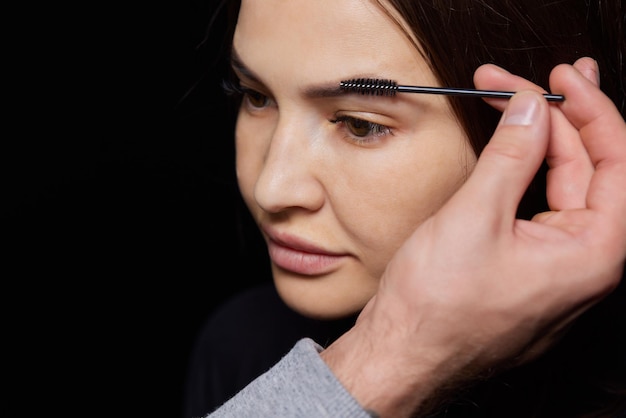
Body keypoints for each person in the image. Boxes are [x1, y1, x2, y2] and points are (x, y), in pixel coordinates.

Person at [183, 0, 626, 417]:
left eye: (361, 124)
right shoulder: (240, 348)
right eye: (256, 96)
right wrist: (388, 360)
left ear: (537, 131)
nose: (271, 189)